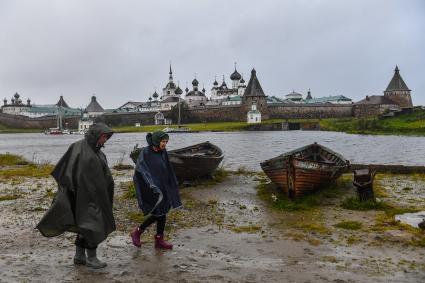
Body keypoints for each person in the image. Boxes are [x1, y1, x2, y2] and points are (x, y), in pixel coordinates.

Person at [36, 123, 115, 269]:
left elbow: (102, 173)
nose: (105, 139)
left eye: (106, 137)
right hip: (83, 195)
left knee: (84, 224)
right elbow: (67, 168)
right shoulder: (78, 148)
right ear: (96, 135)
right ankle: (91, 258)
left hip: (95, 196)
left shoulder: (98, 151)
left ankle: (79, 256)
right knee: (93, 225)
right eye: (104, 136)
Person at [131, 130, 182, 249]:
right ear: (156, 140)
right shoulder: (146, 152)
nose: (164, 144)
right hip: (153, 187)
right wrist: (151, 184)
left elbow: (168, 167)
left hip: (163, 185)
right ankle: (137, 232)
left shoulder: (162, 151)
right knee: (157, 213)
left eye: (166, 141)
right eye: (163, 141)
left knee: (163, 212)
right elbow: (140, 168)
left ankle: (159, 240)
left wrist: (172, 181)